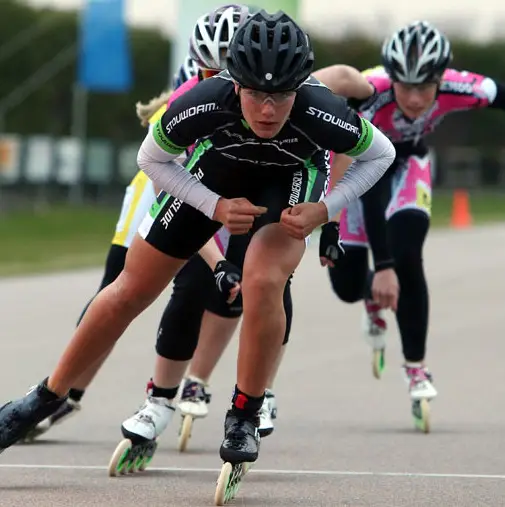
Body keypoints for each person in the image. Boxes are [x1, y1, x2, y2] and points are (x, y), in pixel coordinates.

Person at [0, 10, 395, 473]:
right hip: (217, 175)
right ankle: (43, 398)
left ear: (299, 88)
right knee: (130, 288)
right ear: (234, 84)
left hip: (290, 180)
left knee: (263, 281)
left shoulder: (320, 109)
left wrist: (325, 209)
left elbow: (380, 154)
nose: (268, 111)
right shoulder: (203, 99)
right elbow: (150, 160)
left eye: (281, 96)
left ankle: (244, 414)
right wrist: (214, 206)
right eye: (255, 95)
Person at [30, 5, 289, 446]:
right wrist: (215, 259)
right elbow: (174, 191)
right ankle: (67, 393)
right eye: (211, 71)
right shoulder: (188, 101)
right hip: (172, 183)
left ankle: (212, 386)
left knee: (248, 280)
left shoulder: (269, 95)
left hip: (228, 187)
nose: (221, 81)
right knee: (118, 287)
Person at [314, 20, 505, 431]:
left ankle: (416, 366)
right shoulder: (370, 94)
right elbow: (370, 188)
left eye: (426, 88)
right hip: (359, 171)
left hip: (409, 165)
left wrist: (391, 264)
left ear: (441, 80)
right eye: (407, 87)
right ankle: (370, 293)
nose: (416, 99)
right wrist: (381, 268)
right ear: (393, 79)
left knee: (407, 255)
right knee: (348, 286)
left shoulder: (460, 87)